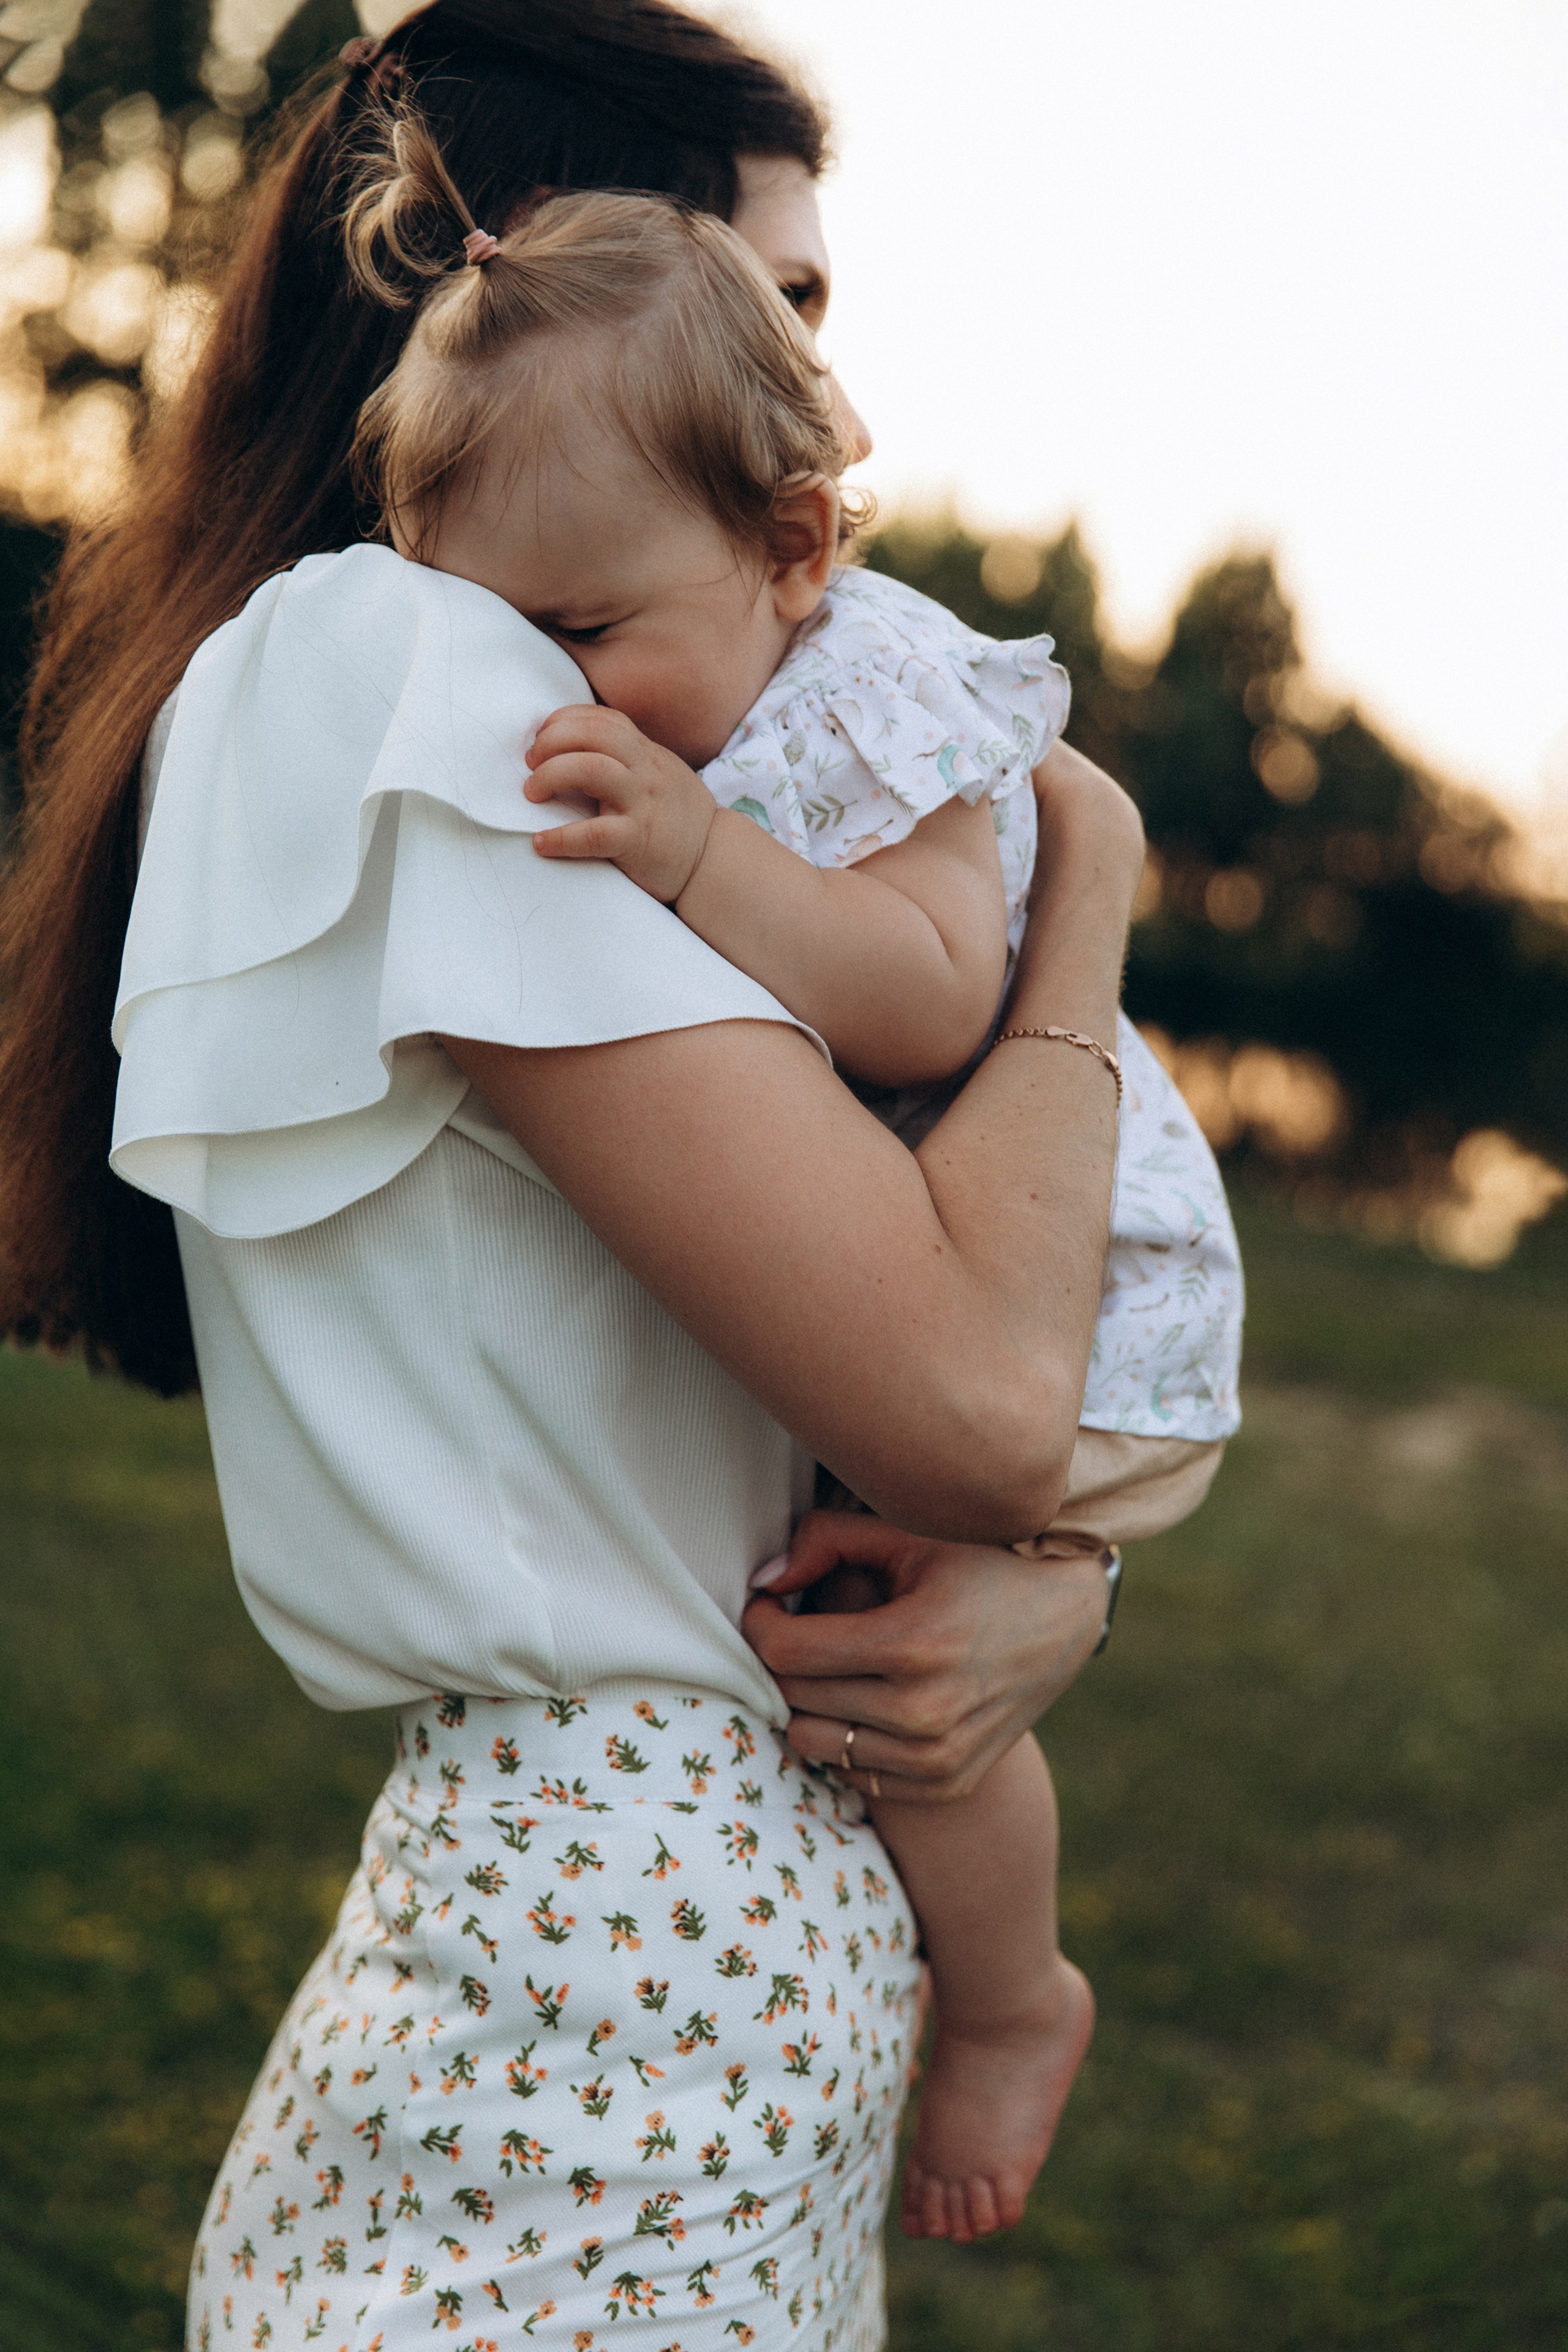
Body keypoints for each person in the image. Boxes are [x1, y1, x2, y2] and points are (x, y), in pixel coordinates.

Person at [0, 5, 1147, 2341]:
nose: (825, 398)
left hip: (677, 1949)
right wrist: (1089, 888)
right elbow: (976, 1403)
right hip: (623, 1984)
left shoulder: (550, 695)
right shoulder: (425, 668)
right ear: (559, 276)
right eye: (781, 308)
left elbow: (899, 1408)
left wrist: (1053, 1596)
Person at [337, 116, 1241, 2244]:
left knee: (908, 1687)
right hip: (961, 1263)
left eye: (584, 627)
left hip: (1094, 1304)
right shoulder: (688, 662)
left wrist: (695, 857)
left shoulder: (883, 695)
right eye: (497, 637)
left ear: (797, 544)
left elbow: (932, 997)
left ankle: (1012, 1998)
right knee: (861, 1642)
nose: (550, 691)